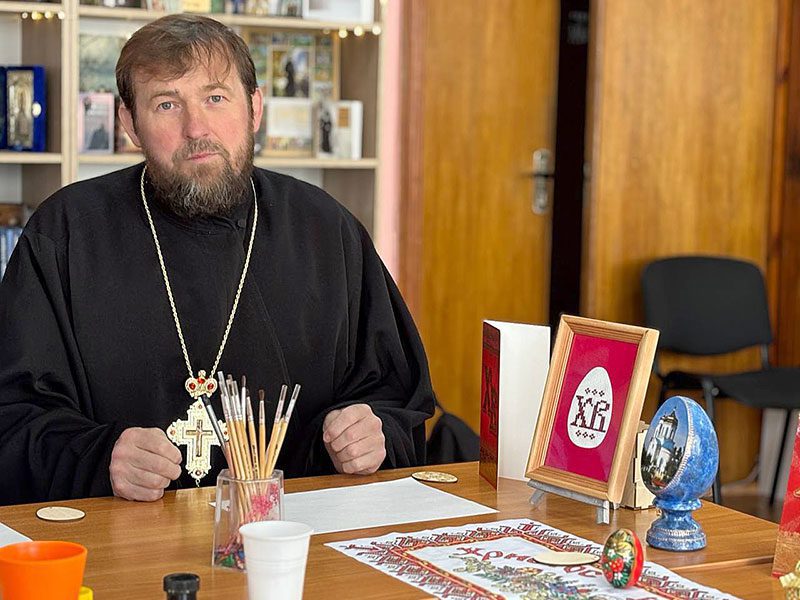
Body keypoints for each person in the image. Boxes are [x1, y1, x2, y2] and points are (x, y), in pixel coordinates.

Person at [0, 14, 435, 505]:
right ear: (130, 124)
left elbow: (396, 400)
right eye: (167, 104)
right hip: (120, 534)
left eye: (215, 98)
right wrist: (99, 458)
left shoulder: (327, 230)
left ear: (254, 109)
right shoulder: (66, 233)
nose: (196, 128)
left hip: (293, 532)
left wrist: (370, 433)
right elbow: (13, 416)